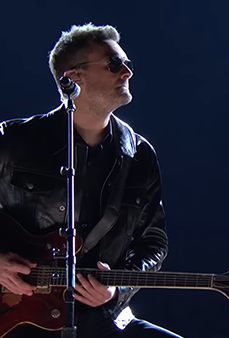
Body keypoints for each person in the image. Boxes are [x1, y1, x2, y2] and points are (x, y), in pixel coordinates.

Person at [0, 24, 180, 337]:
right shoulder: (12, 141)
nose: (126, 72)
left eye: (127, 64)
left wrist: (118, 289)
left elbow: (154, 241)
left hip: (100, 317)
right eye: (114, 64)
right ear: (73, 79)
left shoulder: (139, 154)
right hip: (18, 314)